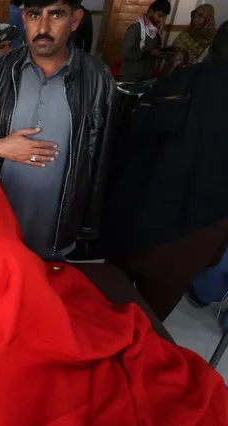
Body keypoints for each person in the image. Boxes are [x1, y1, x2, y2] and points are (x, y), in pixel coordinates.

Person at [0, 0, 116, 261]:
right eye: (34, 15)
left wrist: (88, 227)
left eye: (56, 14)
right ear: (24, 18)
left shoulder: (98, 78)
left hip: (58, 234)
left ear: (74, 20)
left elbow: (104, 155)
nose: (43, 27)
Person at [101, 21, 228, 322]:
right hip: (192, 236)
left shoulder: (179, 83)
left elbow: (128, 140)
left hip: (138, 217)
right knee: (145, 328)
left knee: (101, 309)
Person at [120, 0, 172, 81]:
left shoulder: (155, 33)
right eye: (159, 16)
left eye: (163, 17)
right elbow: (126, 52)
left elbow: (154, 54)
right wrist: (149, 53)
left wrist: (162, 54)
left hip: (146, 76)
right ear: (151, 12)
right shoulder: (135, 28)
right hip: (131, 76)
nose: (160, 20)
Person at [166, 4, 216, 73]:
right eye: (194, 16)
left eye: (200, 17)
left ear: (208, 19)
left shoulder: (214, 41)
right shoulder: (185, 34)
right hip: (176, 76)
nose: (195, 20)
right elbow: (171, 57)